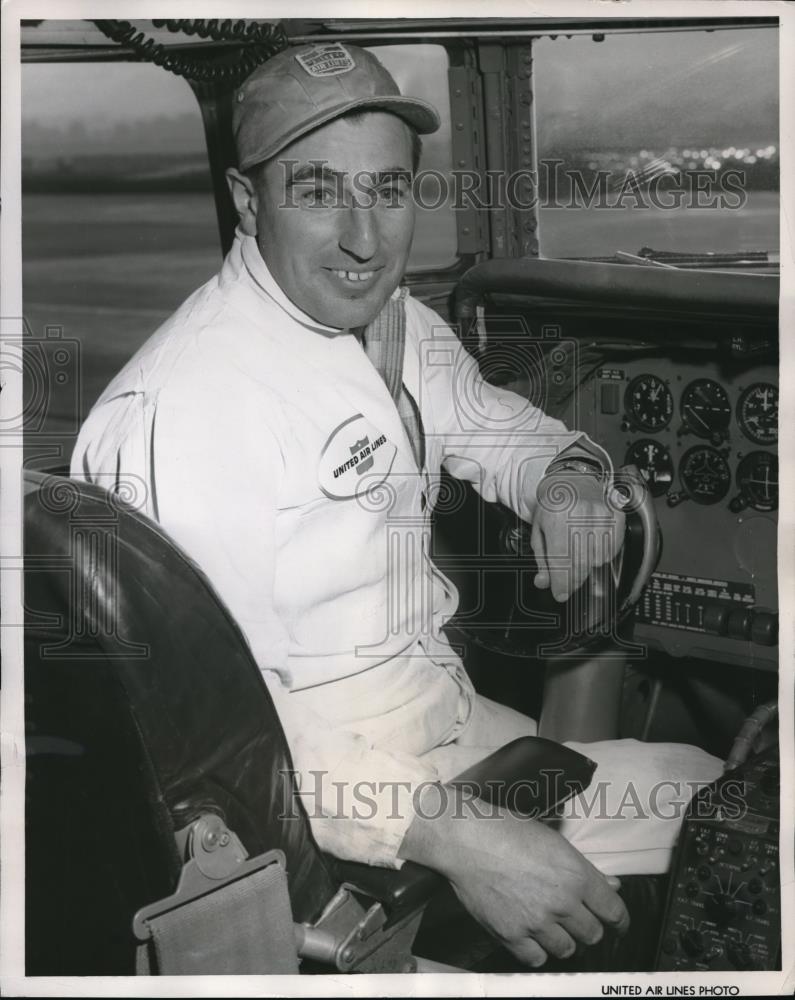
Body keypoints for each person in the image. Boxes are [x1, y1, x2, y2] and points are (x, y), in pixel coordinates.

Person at [71, 43, 722, 967]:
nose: (364, 239)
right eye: (317, 191)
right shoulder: (186, 413)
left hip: (447, 725)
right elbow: (227, 742)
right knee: (731, 828)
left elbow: (487, 423)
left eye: (386, 190)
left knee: (724, 797)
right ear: (249, 201)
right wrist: (463, 838)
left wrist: (564, 477)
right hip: (343, 811)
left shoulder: (388, 321)